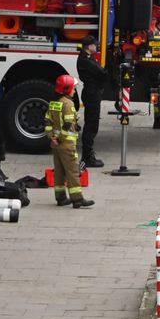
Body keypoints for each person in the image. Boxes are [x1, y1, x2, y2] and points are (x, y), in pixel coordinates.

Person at [45, 75, 94, 208]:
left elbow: (48, 122)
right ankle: (77, 199)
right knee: (73, 171)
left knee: (59, 171)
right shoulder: (68, 103)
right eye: (73, 88)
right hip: (66, 143)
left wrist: (52, 137)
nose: (74, 90)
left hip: (55, 145)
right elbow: (67, 125)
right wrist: (60, 138)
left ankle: (61, 198)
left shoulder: (54, 103)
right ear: (67, 89)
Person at [76, 35, 107, 168]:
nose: (97, 46)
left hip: (91, 92)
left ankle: (88, 155)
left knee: (91, 123)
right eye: (95, 44)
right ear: (89, 46)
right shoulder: (86, 61)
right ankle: (88, 157)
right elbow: (102, 73)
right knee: (91, 125)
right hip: (92, 93)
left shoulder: (86, 58)